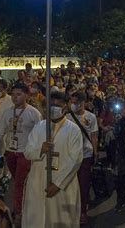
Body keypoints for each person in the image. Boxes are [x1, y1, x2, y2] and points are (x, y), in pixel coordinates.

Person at [22, 92, 83, 227]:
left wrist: (58, 184)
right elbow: (27, 152)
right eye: (52, 105)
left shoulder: (73, 130)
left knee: (60, 219)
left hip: (62, 184)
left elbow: (75, 160)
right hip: (38, 180)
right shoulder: (39, 126)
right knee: (37, 218)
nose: (54, 108)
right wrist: (40, 150)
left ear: (66, 107)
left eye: (58, 105)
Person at [0, 83, 42, 223]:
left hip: (26, 153)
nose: (15, 97)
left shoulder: (33, 113)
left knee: (19, 182)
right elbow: (0, 130)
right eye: (13, 94)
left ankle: (18, 211)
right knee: (17, 181)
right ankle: (24, 204)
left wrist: (38, 151)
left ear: (26, 95)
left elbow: (40, 133)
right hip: (10, 152)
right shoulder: (7, 112)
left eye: (19, 94)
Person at [67, 91, 98, 225]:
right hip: (70, 155)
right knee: (70, 183)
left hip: (85, 154)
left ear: (83, 103)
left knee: (83, 184)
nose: (74, 105)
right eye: (72, 102)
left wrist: (95, 152)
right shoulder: (67, 117)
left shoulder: (90, 117)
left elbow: (94, 135)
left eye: (76, 103)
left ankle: (82, 211)